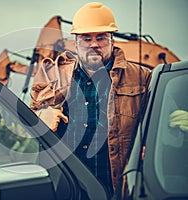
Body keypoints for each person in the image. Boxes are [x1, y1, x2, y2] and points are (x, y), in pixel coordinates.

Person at [30, 2, 151, 196]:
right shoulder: (56, 79)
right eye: (86, 38)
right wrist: (40, 116)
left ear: (112, 41)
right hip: (69, 188)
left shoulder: (142, 77)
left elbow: (159, 124)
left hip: (120, 189)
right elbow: (30, 123)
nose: (94, 44)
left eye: (101, 37)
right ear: (76, 43)